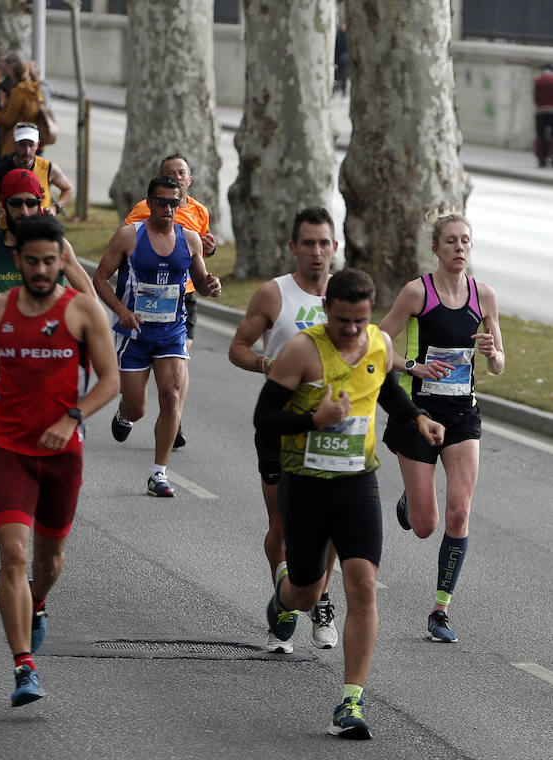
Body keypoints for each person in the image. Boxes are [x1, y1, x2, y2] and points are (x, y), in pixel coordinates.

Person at [253, 268, 445, 739]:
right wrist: (314, 419)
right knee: (306, 593)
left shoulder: (378, 342)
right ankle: (283, 600)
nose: (353, 330)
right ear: (326, 311)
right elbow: (265, 417)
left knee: (362, 583)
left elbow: (387, 391)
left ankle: (351, 702)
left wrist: (418, 418)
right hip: (306, 485)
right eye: (343, 321)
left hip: (358, 483)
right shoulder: (302, 350)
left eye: (361, 320)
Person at [0, 213, 120, 707]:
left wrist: (73, 418)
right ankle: (23, 666)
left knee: (48, 562)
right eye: (34, 261)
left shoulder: (83, 311)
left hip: (61, 454)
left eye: (52, 260)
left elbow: (110, 381)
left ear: (62, 259)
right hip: (8, 449)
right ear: (19, 260)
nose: (43, 270)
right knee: (13, 556)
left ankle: (40, 600)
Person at [377, 213, 504, 644]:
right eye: (450, 241)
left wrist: (492, 353)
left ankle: (440, 610)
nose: (459, 247)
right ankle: (411, 501)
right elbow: (378, 343)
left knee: (460, 512)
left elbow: (499, 363)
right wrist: (413, 366)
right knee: (425, 524)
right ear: (436, 248)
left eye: (465, 240)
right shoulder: (418, 292)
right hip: (418, 412)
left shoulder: (484, 296)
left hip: (462, 414)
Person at [228, 206, 340, 653]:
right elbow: (238, 347)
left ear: (335, 247)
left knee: (331, 525)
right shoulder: (273, 294)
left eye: (324, 243)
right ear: (293, 247)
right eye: (308, 243)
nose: (316, 252)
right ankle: (287, 595)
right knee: (282, 523)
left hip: (329, 430)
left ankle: (320, 597)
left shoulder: (346, 296)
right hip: (280, 423)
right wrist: (265, 363)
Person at [92, 175, 222, 497]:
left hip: (171, 331)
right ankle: (125, 413)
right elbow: (100, 278)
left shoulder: (190, 240)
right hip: (134, 332)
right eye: (161, 202)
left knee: (171, 395)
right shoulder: (129, 236)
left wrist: (211, 286)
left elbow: (200, 282)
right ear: (149, 202)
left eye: (173, 203)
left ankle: (158, 474)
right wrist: (121, 310)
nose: (168, 208)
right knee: (137, 408)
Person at [123, 153, 216, 449]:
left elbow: (199, 250)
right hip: (145, 295)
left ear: (190, 179)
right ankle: (130, 408)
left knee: (181, 355)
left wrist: (209, 250)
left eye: (181, 173)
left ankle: (174, 418)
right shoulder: (143, 209)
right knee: (143, 380)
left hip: (183, 293)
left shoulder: (200, 211)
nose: (176, 177)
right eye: (170, 173)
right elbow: (128, 241)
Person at [0, 169, 92, 296]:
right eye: (16, 203)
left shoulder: (57, 245)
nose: (24, 211)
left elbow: (90, 298)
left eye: (31, 203)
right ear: (4, 205)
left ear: (39, 205)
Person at [0, 122, 73, 220]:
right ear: (13, 144)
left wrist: (56, 208)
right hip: (11, 228)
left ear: (38, 145)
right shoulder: (1, 170)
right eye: (22, 145)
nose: (27, 151)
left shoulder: (48, 168)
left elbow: (68, 189)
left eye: (31, 145)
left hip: (42, 226)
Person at [0, 59, 42, 157]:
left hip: (16, 144)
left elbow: (8, 120)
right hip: (33, 141)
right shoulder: (34, 89)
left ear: (13, 74)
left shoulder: (18, 91)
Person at [534, 62, 553, 168]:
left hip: (541, 111)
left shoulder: (538, 81)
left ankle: (542, 159)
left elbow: (536, 97)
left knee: (541, 136)